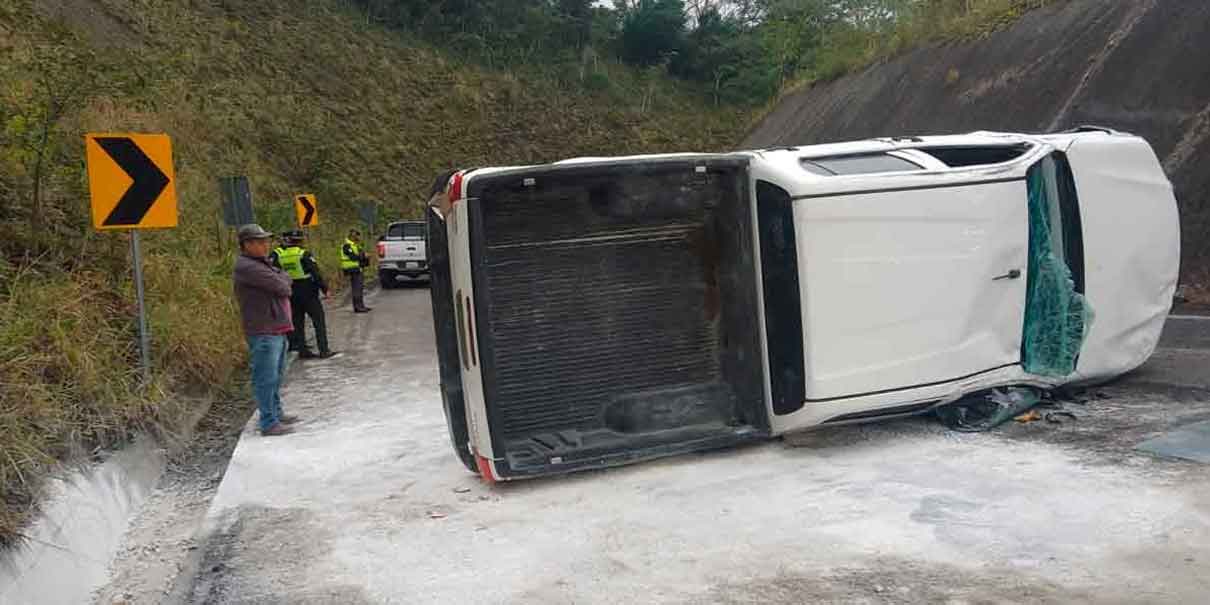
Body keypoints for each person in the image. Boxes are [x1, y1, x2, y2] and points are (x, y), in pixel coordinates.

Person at [233, 224, 298, 436]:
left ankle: (276, 413)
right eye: (260, 242)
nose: (266, 245)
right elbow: (284, 286)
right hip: (263, 330)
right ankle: (269, 422)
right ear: (247, 245)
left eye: (266, 241)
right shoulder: (248, 267)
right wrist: (283, 279)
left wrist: (282, 278)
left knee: (276, 376)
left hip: (275, 327)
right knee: (266, 377)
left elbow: (284, 277)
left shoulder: (261, 264)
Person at [271, 230, 339, 359]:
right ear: (300, 241)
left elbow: (275, 272)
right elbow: (315, 273)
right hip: (308, 292)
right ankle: (324, 350)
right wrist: (325, 289)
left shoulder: (279, 255)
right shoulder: (303, 254)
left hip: (291, 292)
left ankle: (302, 350)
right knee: (318, 321)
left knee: (298, 322)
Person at [341, 229, 372, 313]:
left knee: (359, 288)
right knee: (357, 288)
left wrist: (365, 257)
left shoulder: (355, 245)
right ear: (352, 236)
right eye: (356, 236)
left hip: (358, 268)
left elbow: (360, 255)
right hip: (353, 269)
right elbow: (353, 257)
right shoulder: (347, 245)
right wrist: (363, 255)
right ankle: (358, 307)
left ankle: (361, 306)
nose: (358, 237)